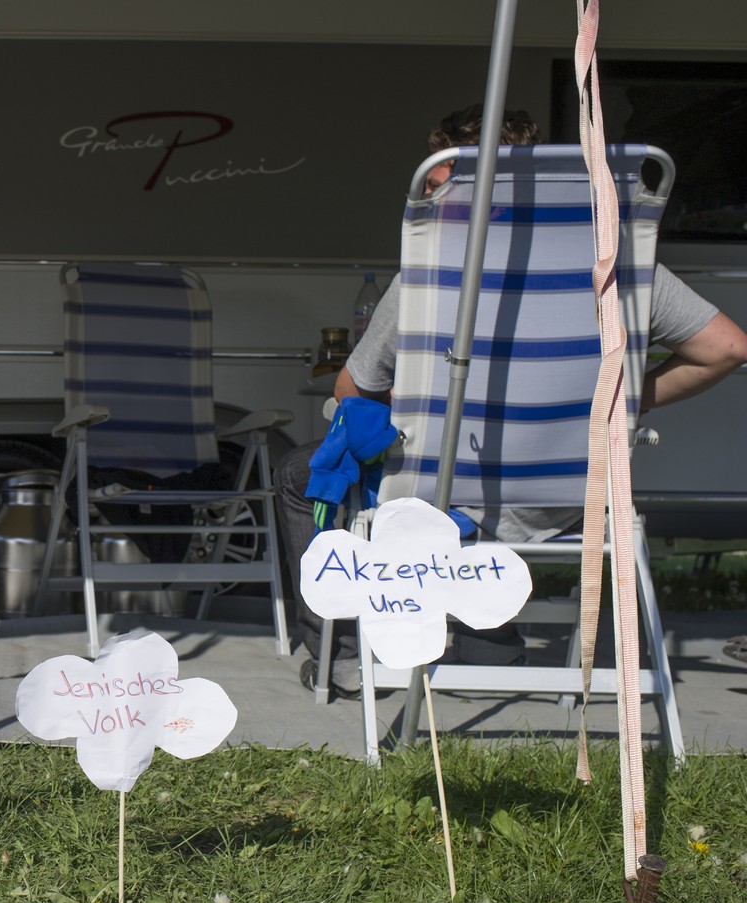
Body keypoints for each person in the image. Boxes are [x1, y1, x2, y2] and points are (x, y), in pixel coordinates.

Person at [278, 104, 747, 695]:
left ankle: (341, 655)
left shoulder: (430, 274)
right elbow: (727, 348)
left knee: (299, 472)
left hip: (443, 492)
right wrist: (618, 402)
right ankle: (484, 638)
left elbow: (353, 392)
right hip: (566, 497)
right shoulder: (618, 265)